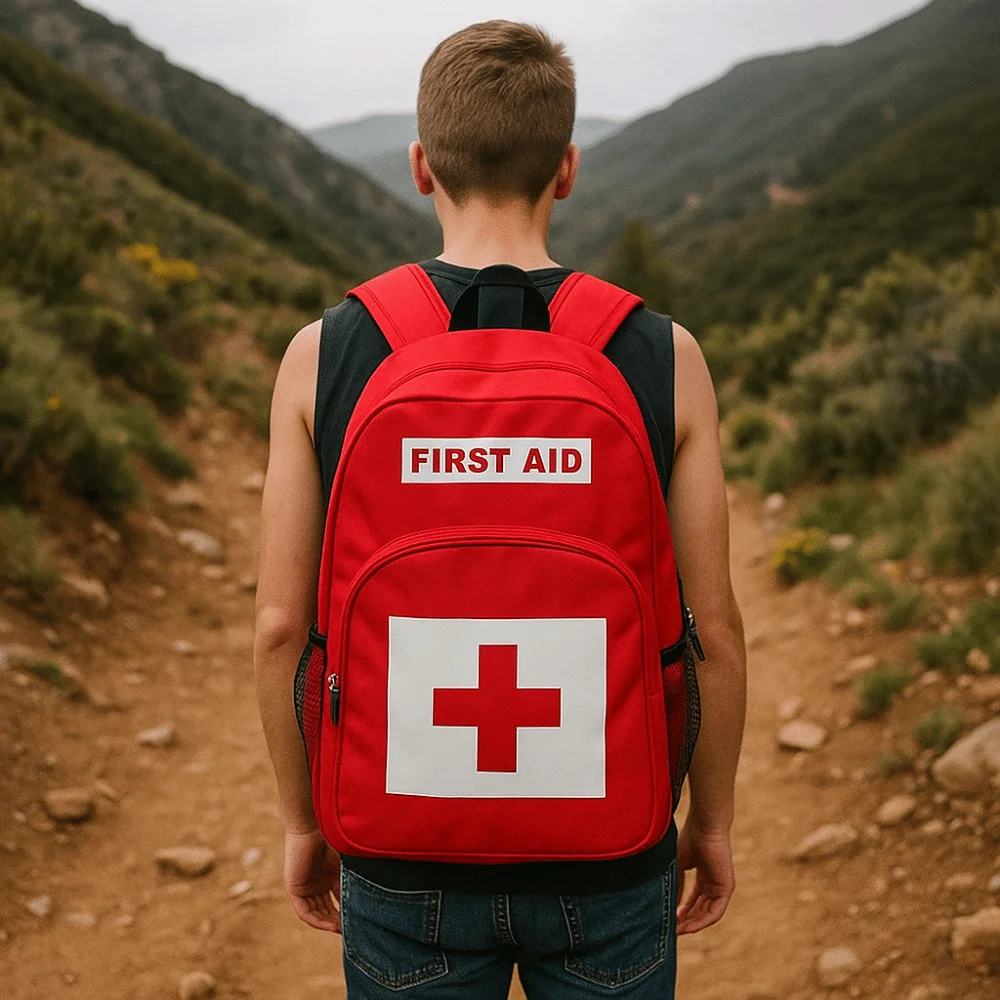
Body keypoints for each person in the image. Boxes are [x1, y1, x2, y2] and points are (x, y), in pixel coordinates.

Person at [254, 20, 746, 999]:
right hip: (611, 848)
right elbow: (716, 632)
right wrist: (713, 821)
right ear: (565, 169)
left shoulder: (326, 352)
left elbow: (278, 628)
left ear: (418, 166)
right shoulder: (661, 354)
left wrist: (305, 821)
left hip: (401, 851)